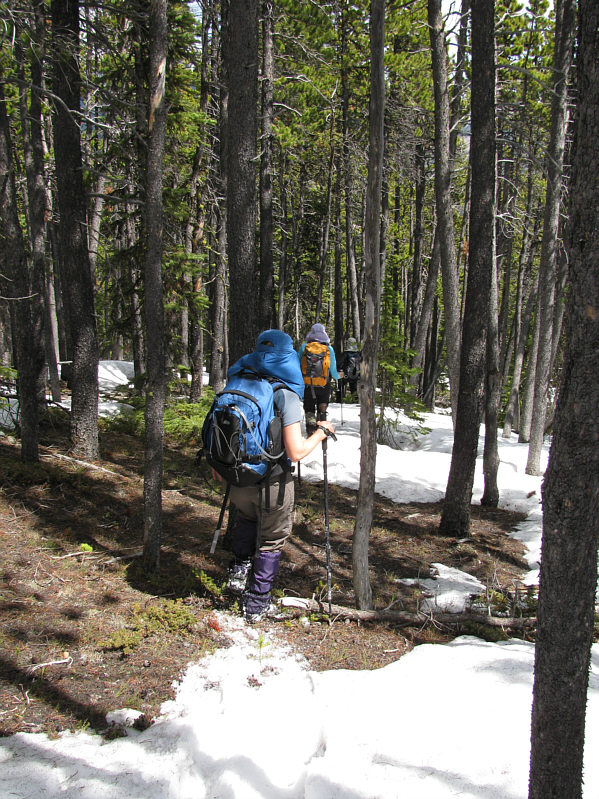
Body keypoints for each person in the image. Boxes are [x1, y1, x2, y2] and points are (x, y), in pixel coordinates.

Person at [223, 329, 336, 623]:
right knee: (271, 540)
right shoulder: (285, 394)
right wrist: (321, 433)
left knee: (247, 519)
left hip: (237, 479)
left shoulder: (237, 381)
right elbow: (296, 451)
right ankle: (257, 603)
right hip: (271, 483)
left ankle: (238, 574)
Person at [297, 323, 342, 436]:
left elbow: (297, 365)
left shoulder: (304, 347)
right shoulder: (328, 349)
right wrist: (339, 376)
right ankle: (321, 427)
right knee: (322, 404)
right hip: (324, 384)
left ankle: (310, 430)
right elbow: (333, 371)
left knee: (309, 407)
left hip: (308, 384)